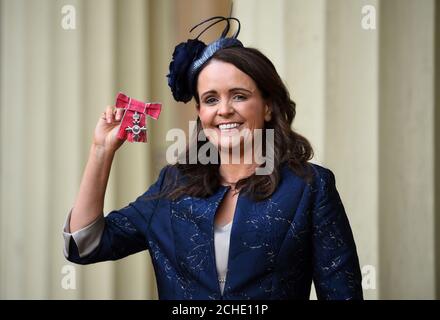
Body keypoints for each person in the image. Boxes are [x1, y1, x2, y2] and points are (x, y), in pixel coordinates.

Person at [63, 16, 363, 300]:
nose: (224, 110)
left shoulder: (309, 187)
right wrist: (101, 151)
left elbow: (342, 292)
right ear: (199, 113)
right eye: (210, 99)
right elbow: (85, 245)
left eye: (239, 96)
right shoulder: (173, 186)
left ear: (268, 107)